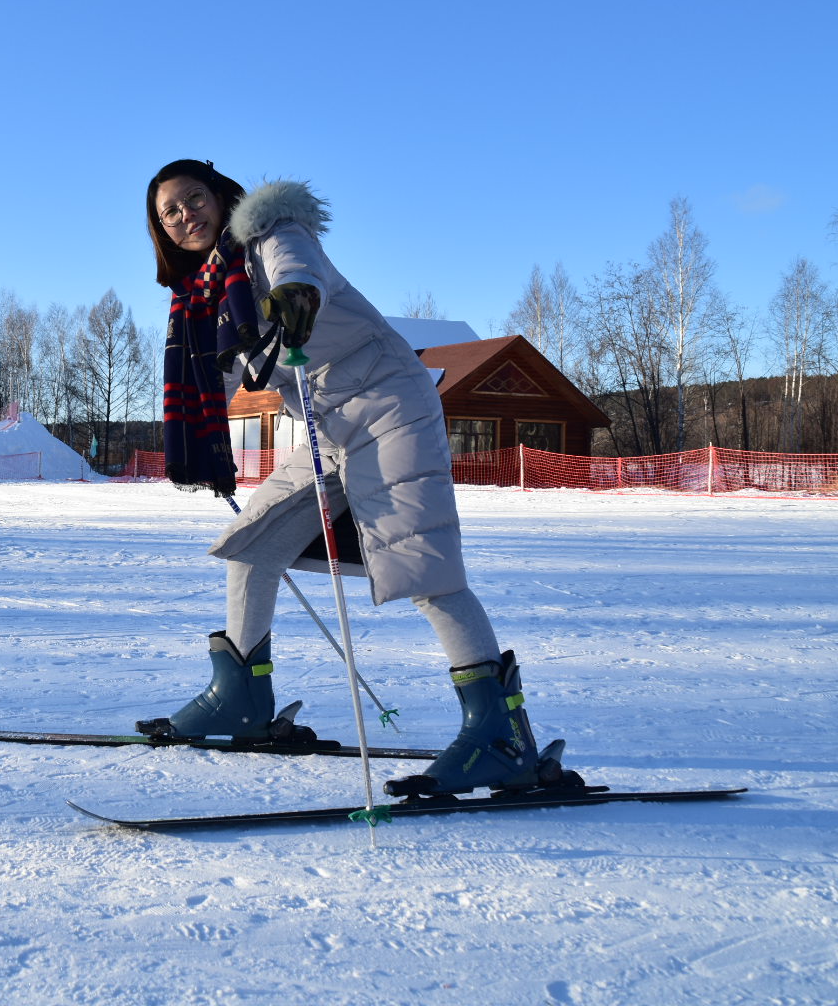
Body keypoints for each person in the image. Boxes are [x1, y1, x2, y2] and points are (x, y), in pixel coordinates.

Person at [139, 159, 548, 798]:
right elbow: (214, 381)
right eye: (170, 211)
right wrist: (202, 450)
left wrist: (297, 295)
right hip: (325, 423)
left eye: (194, 198)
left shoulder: (269, 234)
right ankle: (240, 698)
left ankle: (500, 734)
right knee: (251, 545)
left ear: (220, 199)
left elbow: (297, 270)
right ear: (159, 230)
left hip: (389, 404)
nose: (185, 215)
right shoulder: (204, 299)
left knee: (421, 564)